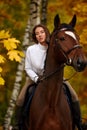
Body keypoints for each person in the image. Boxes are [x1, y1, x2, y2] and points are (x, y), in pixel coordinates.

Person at [10, 24, 87, 130]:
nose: (40, 35)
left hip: (55, 78)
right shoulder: (31, 50)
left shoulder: (54, 47)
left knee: (74, 96)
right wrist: (36, 78)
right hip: (35, 78)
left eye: (42, 32)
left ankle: (79, 123)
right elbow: (28, 68)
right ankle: (16, 126)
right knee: (20, 99)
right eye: (37, 33)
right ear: (35, 36)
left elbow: (62, 55)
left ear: (46, 33)